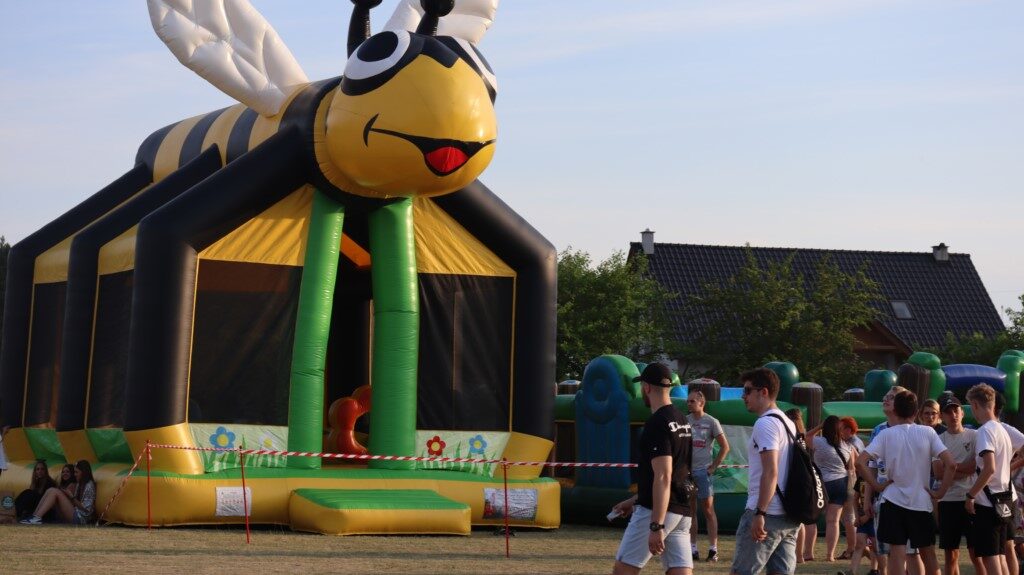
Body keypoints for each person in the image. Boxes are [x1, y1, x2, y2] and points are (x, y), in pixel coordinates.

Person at [856, 389, 958, 575]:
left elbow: (860, 462)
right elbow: (951, 464)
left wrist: (877, 486)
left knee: (897, 554)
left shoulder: (885, 434)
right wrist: (940, 492)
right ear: (917, 412)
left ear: (895, 410)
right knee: (928, 554)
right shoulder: (928, 432)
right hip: (921, 502)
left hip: (892, 501)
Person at [611, 363, 695, 575]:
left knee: (623, 569)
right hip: (682, 508)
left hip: (657, 510)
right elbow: (677, 472)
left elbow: (664, 476)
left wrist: (656, 525)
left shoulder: (657, 422)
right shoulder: (682, 419)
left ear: (646, 387)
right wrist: (634, 500)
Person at [729, 367, 801, 575]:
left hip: (768, 512)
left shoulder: (765, 423)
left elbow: (770, 471)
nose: (743, 396)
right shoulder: (787, 423)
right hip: (788, 513)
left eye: (747, 390)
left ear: (764, 392)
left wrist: (760, 512)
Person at [965, 383, 1016, 575]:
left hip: (987, 503)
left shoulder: (985, 431)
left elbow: (989, 468)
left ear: (975, 405)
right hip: (1003, 499)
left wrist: (971, 495)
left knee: (990, 556)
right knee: (1000, 555)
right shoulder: (1002, 430)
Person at [932, 393, 983, 575]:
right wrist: (959, 468)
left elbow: (974, 467)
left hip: (971, 499)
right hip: (948, 501)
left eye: (956, 410)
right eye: (948, 412)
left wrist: (951, 467)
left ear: (962, 413)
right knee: (950, 554)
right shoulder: (939, 440)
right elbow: (938, 473)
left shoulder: (975, 436)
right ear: (942, 416)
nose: (953, 415)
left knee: (976, 554)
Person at [686, 389, 730, 563]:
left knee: (708, 510)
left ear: (701, 403)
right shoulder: (685, 420)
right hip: (688, 473)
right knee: (690, 511)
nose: (688, 404)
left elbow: (725, 447)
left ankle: (713, 550)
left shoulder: (711, 421)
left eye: (692, 401)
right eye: (688, 401)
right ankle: (693, 549)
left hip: (703, 472)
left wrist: (713, 467)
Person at [806, 415, 855, 562]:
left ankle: (808, 553)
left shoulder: (819, 442)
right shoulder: (847, 446)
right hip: (841, 483)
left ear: (825, 428)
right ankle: (830, 555)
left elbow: (806, 436)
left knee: (812, 519)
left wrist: (819, 426)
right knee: (833, 521)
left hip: (822, 483)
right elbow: (851, 468)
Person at [20, 459, 96, 525]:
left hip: (81, 518)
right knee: (50, 490)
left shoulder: (89, 485)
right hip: (75, 512)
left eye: (76, 472)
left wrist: (71, 497)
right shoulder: (80, 484)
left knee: (54, 491)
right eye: (74, 472)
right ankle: (34, 516)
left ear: (84, 472)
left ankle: (37, 517)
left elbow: (87, 509)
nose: (75, 475)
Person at [784, 408, 812, 564]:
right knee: (799, 522)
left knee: (795, 522)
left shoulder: (791, 437)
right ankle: (799, 555)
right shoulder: (803, 437)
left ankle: (798, 554)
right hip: (804, 482)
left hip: (794, 481)